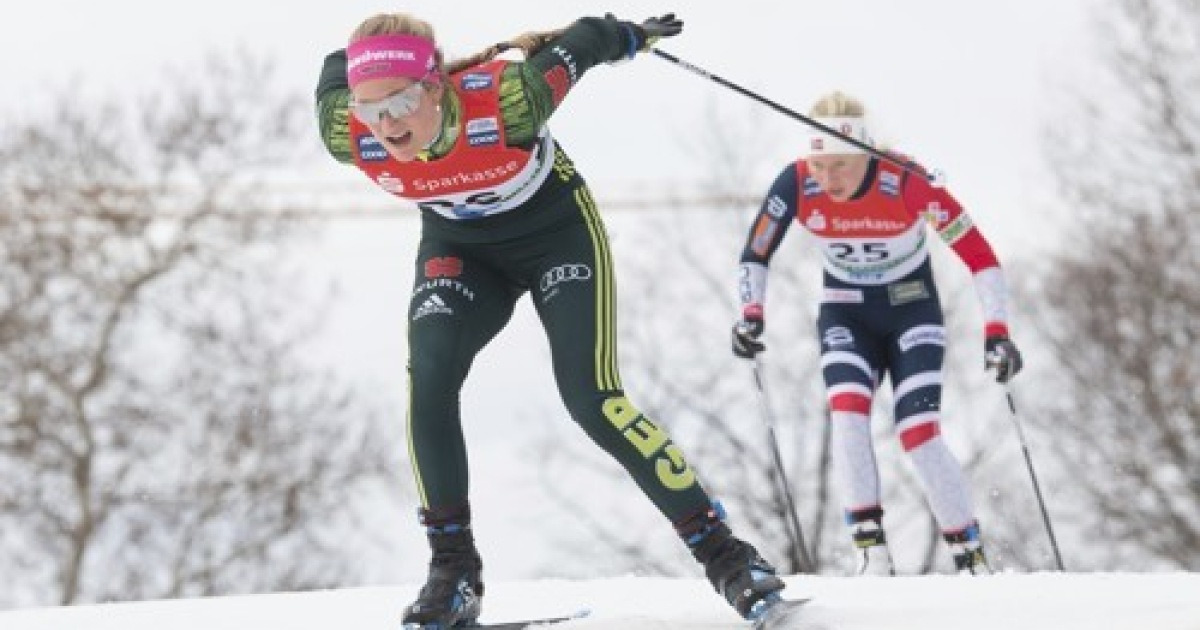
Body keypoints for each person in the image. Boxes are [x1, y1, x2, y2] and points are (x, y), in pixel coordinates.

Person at [314, 11, 788, 627]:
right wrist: (381, 74)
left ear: (434, 88)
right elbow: (333, 69)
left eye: (400, 102)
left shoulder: (511, 100)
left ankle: (727, 557)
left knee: (592, 400)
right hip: (461, 250)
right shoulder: (345, 131)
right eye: (370, 109)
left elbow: (586, 41)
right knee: (428, 379)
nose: (386, 126)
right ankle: (453, 572)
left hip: (556, 236)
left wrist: (631, 36)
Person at [730, 91, 1023, 576]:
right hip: (847, 315)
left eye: (840, 167)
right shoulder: (797, 183)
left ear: (865, 153)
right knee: (847, 417)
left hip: (912, 313)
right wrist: (750, 314)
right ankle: (872, 552)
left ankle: (969, 556)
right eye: (819, 166)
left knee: (919, 433)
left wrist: (997, 331)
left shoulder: (905, 181)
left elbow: (981, 257)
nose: (828, 179)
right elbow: (756, 252)